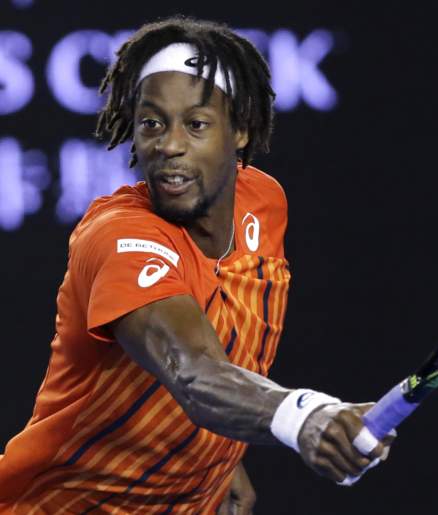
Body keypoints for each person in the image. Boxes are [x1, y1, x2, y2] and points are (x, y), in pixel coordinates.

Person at [0, 15, 392, 514]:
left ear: (241, 130)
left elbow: (227, 345)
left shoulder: (264, 204)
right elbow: (192, 371)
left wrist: (218, 458)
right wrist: (303, 414)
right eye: (152, 124)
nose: (169, 145)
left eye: (197, 124)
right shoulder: (120, 237)